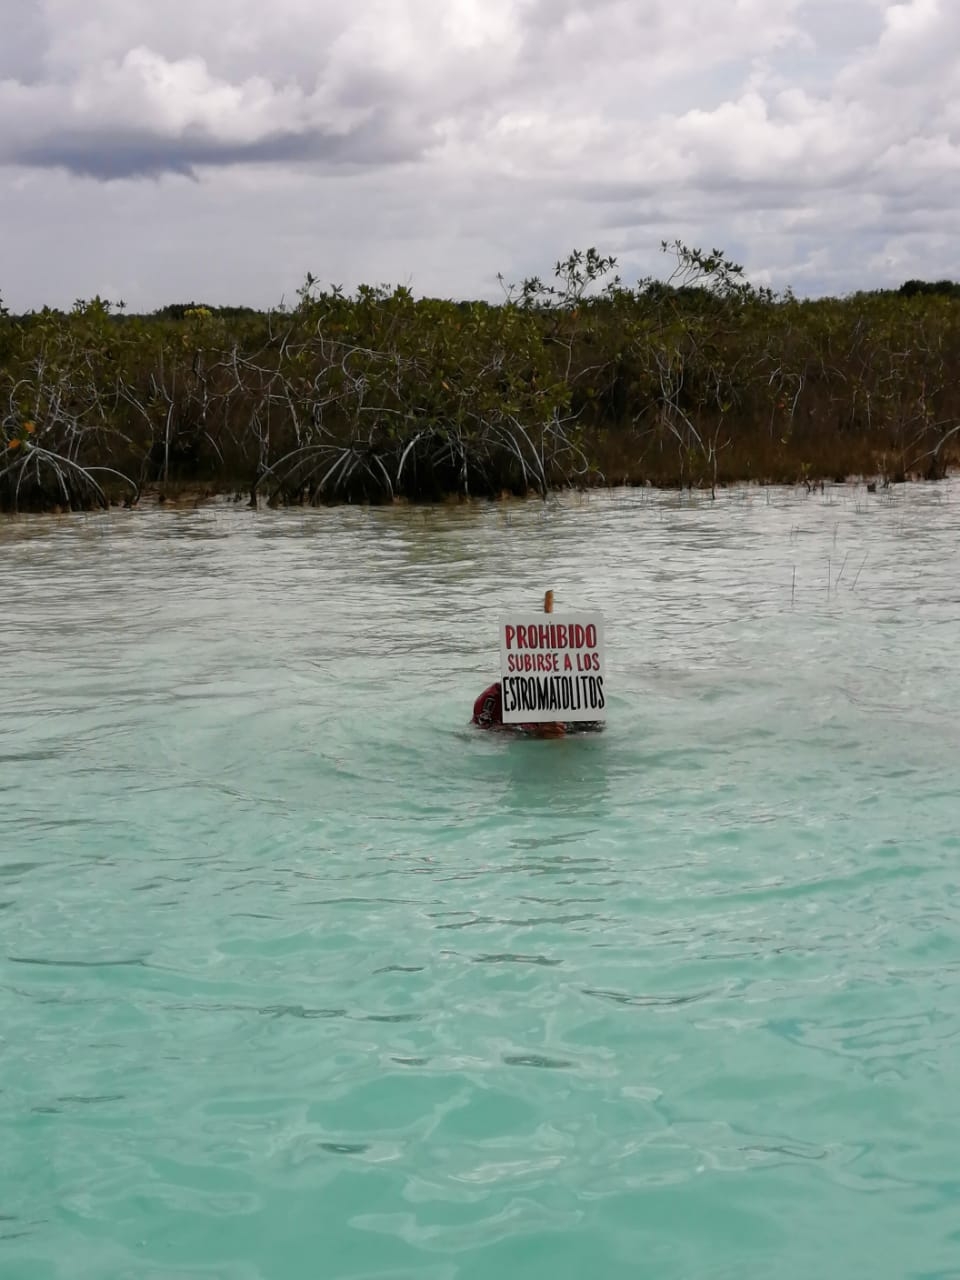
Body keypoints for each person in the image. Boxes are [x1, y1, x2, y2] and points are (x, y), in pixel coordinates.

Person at [471, 681, 602, 737]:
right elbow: (479, 735)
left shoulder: (580, 698)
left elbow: (594, 734)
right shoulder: (493, 700)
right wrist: (532, 735)